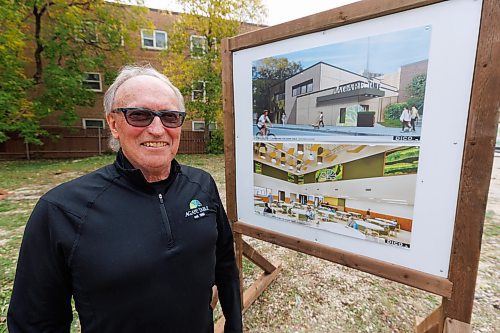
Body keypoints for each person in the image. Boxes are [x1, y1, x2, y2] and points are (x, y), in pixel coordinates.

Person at [8, 65, 242, 332]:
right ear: (113, 123)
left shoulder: (201, 185)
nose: (157, 129)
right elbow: (34, 323)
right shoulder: (61, 210)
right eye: (139, 115)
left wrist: (234, 326)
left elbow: (225, 265)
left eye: (170, 117)